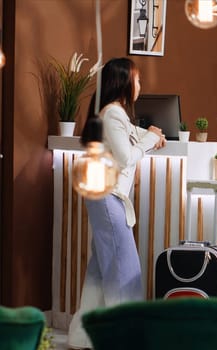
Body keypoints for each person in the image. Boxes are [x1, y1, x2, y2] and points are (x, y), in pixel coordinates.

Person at [67, 57, 166, 349]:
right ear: (123, 82)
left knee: (100, 273)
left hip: (106, 199)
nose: (140, 85)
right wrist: (148, 140)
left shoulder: (115, 114)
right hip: (110, 199)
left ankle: (82, 336)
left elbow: (132, 139)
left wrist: (150, 136)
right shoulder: (113, 114)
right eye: (137, 79)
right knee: (125, 271)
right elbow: (127, 156)